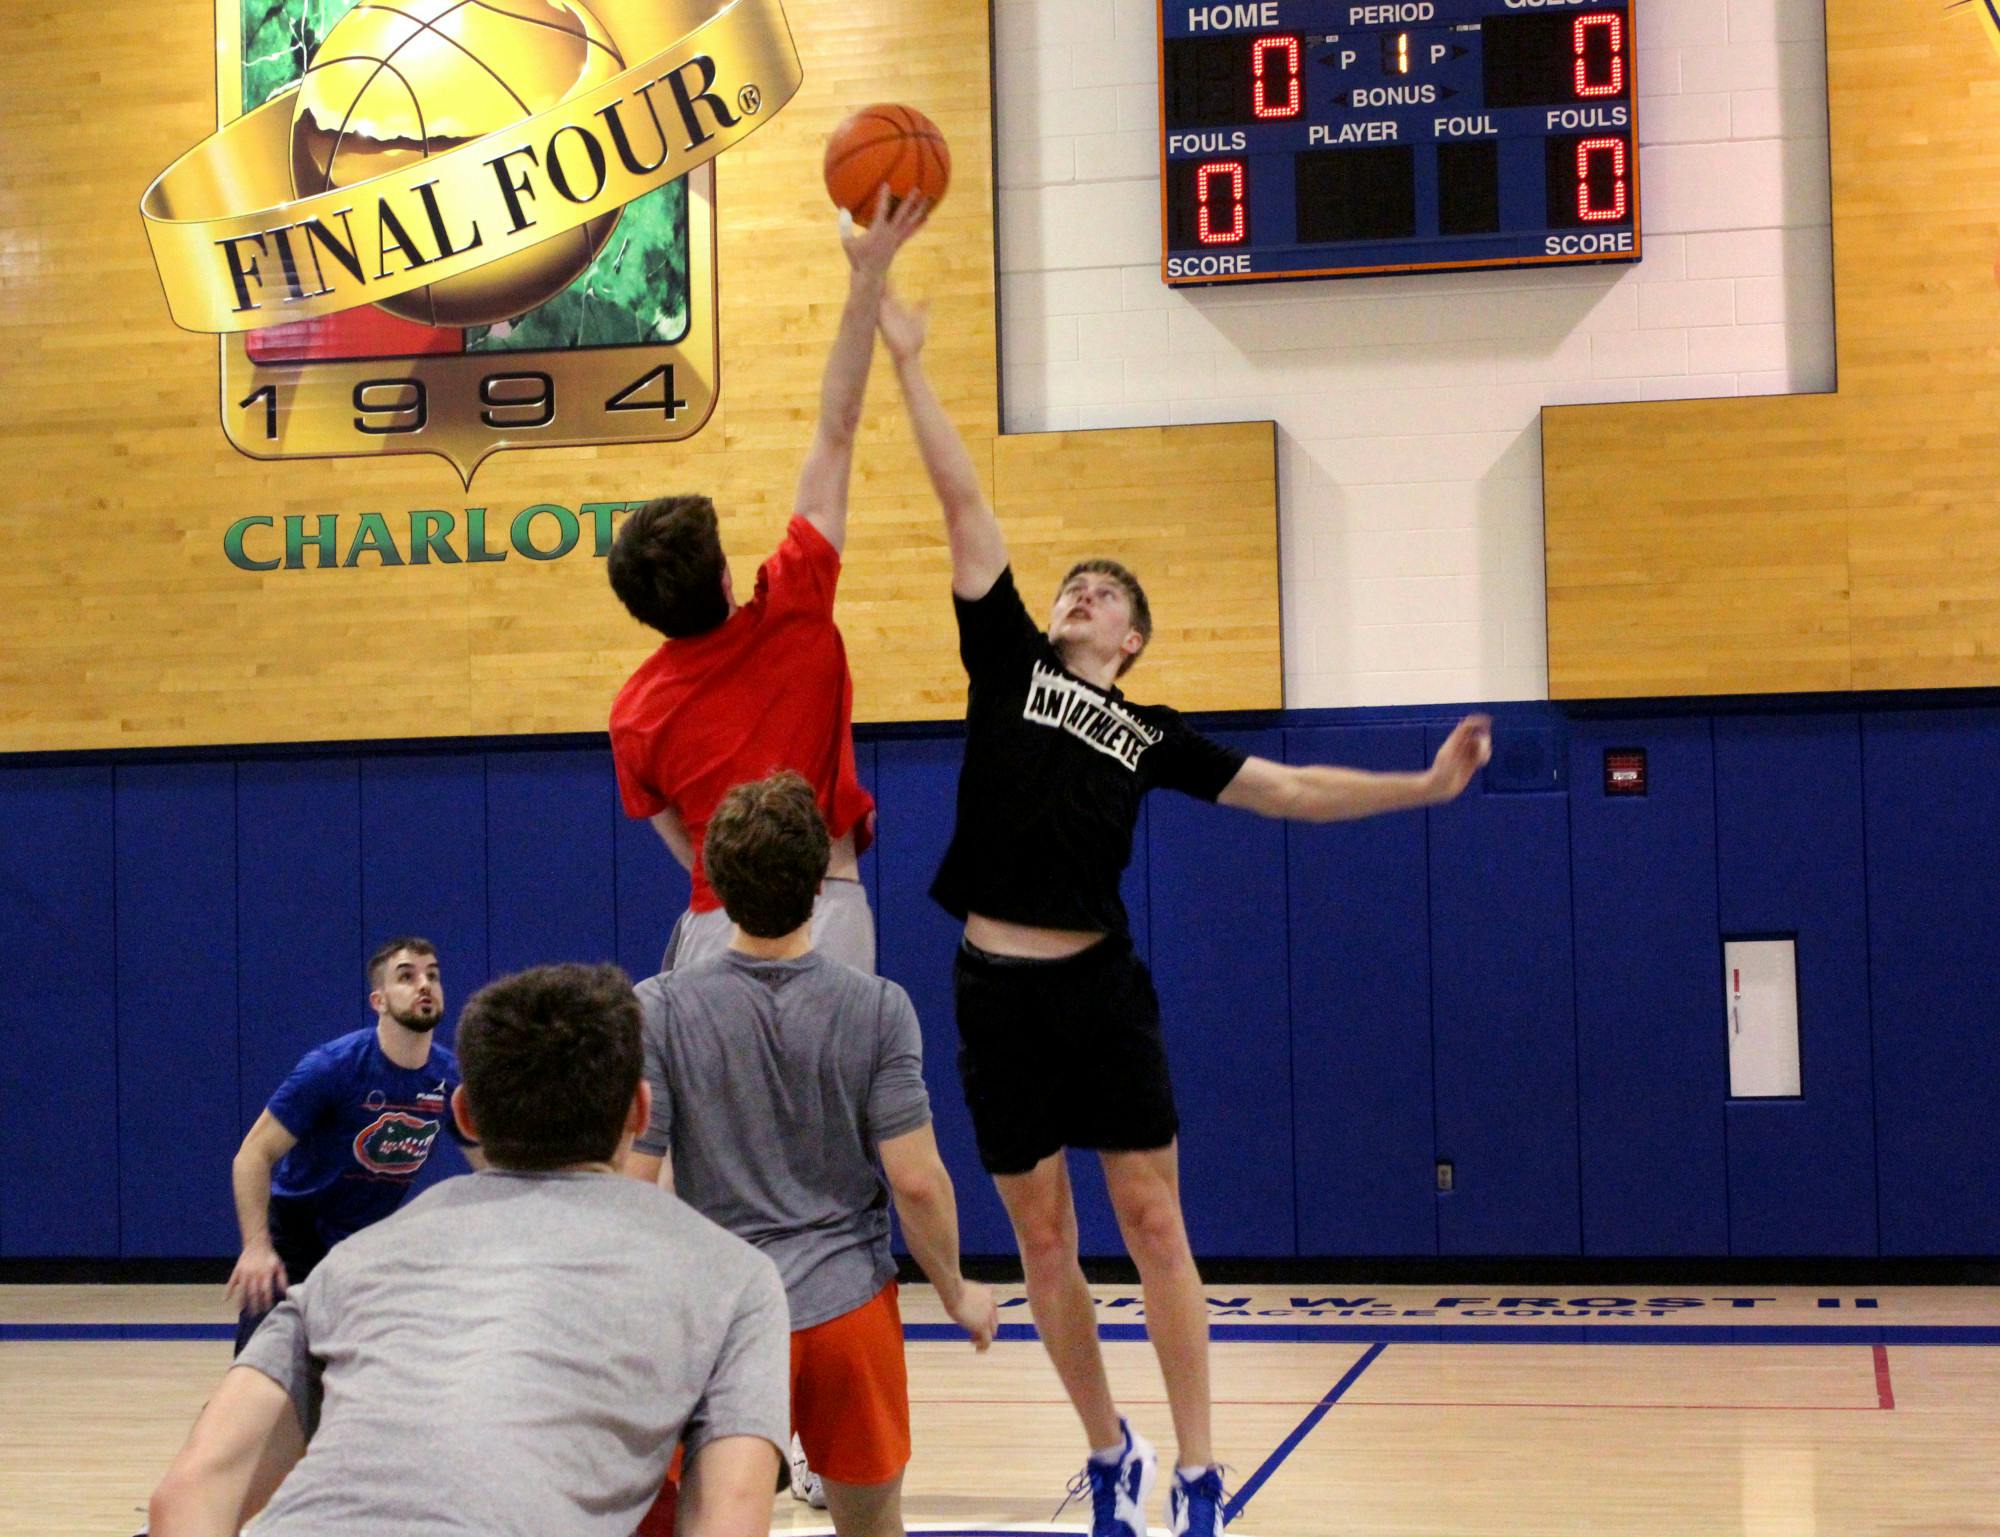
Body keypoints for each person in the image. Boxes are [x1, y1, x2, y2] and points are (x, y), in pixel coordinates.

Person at [876, 289, 1493, 1537]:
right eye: (1074, 584)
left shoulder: (1149, 732)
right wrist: (907, 362)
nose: (1083, 592)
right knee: (1043, 1246)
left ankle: (1201, 1473)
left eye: (1105, 591)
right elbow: (960, 502)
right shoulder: (1005, 665)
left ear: (1135, 637)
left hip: (1098, 991)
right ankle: (1108, 1451)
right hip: (991, 992)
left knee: (1152, 1218)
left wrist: (1420, 785)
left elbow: (1293, 789)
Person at [149, 962, 790, 1537]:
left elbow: (185, 1498)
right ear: (641, 1112)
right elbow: (729, 1521)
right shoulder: (733, 1275)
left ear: (464, 1113)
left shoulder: (353, 1263)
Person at [624, 770, 1000, 1537]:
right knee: (871, 1527)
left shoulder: (658, 1006)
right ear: (819, 889)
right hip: (848, 1309)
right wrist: (956, 1289)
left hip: (722, 1313)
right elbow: (917, 1182)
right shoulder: (878, 1007)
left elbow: (634, 1183)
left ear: (718, 888)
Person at [606, 189, 932, 976]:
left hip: (719, 926)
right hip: (830, 909)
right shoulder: (795, 603)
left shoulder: (635, 715)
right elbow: (837, 424)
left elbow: (687, 844)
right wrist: (866, 279)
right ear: (725, 575)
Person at [226, 936, 485, 1353]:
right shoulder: (333, 1067)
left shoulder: (449, 1079)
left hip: (365, 1246)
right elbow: (253, 1155)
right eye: (407, 976)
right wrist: (256, 1247)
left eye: (432, 976)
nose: (424, 985)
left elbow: (489, 1168)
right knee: (262, 1372)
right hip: (297, 1235)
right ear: (378, 1000)